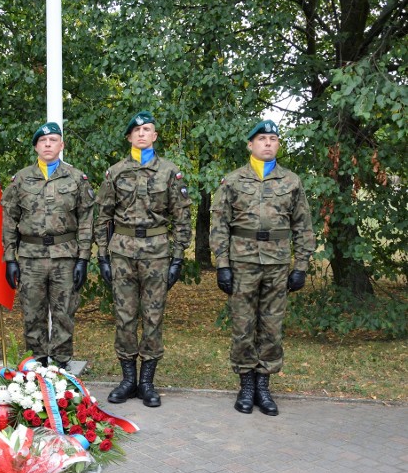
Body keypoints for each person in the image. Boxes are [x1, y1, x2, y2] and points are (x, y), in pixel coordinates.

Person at [210, 120, 315, 416]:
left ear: (278, 145)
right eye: (262, 139)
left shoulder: (291, 182)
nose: (268, 143)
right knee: (243, 325)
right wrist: (222, 265)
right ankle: (246, 385)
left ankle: (264, 387)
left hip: (278, 264)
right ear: (250, 145)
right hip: (242, 262)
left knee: (271, 326)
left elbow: (303, 226)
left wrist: (301, 266)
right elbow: (219, 226)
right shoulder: (232, 181)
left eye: (273, 139)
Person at [95, 111, 192, 407]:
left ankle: (147, 382)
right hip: (123, 252)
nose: (141, 134)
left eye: (147, 129)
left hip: (157, 252)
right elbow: (103, 215)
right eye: (136, 130)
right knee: (125, 318)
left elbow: (182, 216)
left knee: (152, 317)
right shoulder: (115, 173)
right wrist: (102, 255)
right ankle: (127, 380)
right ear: (129, 138)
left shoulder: (170, 172)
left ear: (154, 136)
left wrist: (178, 257)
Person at [1, 122, 94, 369]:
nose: (48, 144)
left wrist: (83, 259)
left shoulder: (76, 178)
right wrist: (10, 258)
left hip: (66, 256)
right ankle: (38, 362)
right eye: (43, 141)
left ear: (61, 145)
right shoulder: (21, 179)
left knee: (64, 313)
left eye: (53, 140)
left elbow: (86, 220)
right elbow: (9, 220)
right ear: (36, 147)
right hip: (31, 258)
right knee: (33, 313)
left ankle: (61, 364)